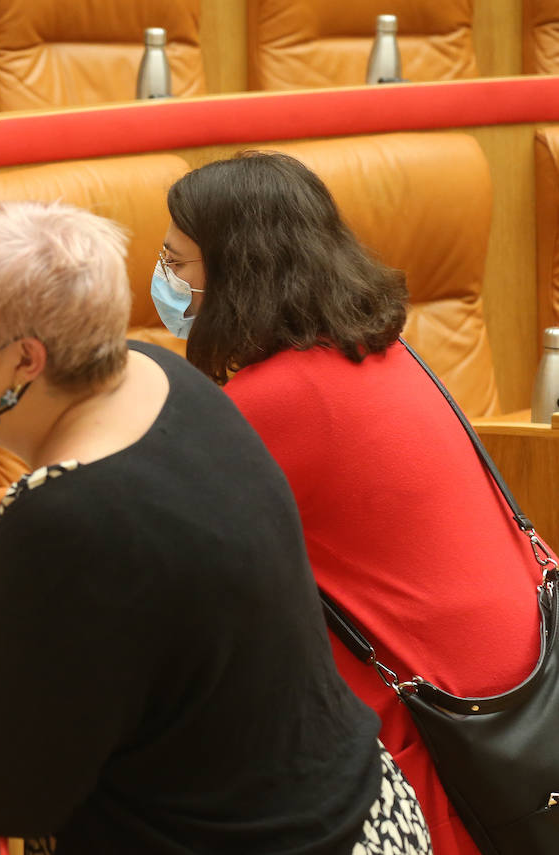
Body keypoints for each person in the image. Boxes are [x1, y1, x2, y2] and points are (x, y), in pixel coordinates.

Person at [0, 201, 431, 854]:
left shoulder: (70, 516)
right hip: (359, 812)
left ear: (25, 360)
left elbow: (8, 793)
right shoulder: (165, 377)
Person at [158, 151, 541, 855]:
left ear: (238, 272)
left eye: (177, 261)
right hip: (514, 710)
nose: (168, 282)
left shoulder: (278, 399)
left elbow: (152, 557)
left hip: (436, 756)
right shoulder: (381, 351)